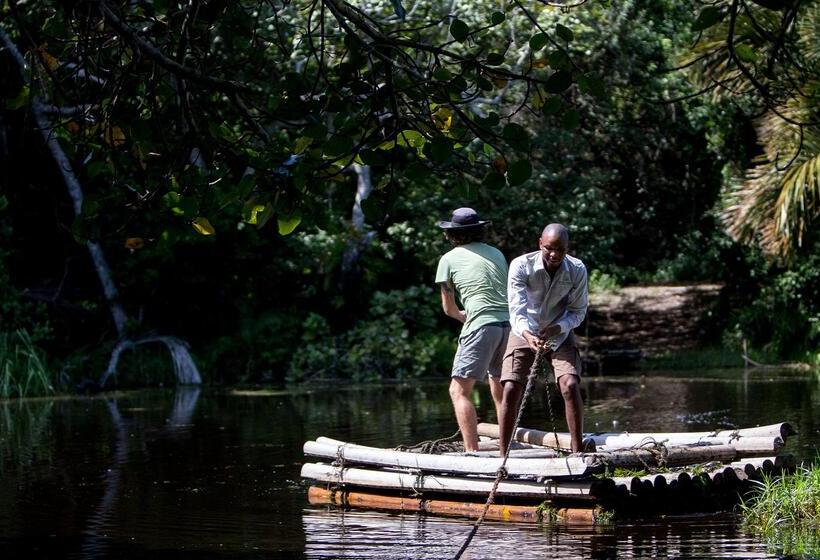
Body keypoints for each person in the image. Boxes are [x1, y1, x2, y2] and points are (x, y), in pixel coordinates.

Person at [498, 223, 589, 454]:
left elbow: (578, 312)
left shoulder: (577, 269)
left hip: (560, 330)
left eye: (560, 250)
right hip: (524, 328)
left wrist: (557, 328)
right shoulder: (521, 265)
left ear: (568, 248)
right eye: (549, 248)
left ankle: (578, 451)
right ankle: (503, 455)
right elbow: (516, 311)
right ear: (540, 243)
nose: (554, 255)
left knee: (570, 385)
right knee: (511, 387)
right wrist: (528, 335)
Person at [435, 208, 510, 452]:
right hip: (508, 326)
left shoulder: (448, 259)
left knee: (458, 391)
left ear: (452, 234)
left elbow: (448, 308)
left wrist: (461, 316)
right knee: (500, 388)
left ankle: (472, 452)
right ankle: (506, 448)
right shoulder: (497, 253)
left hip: (480, 325)